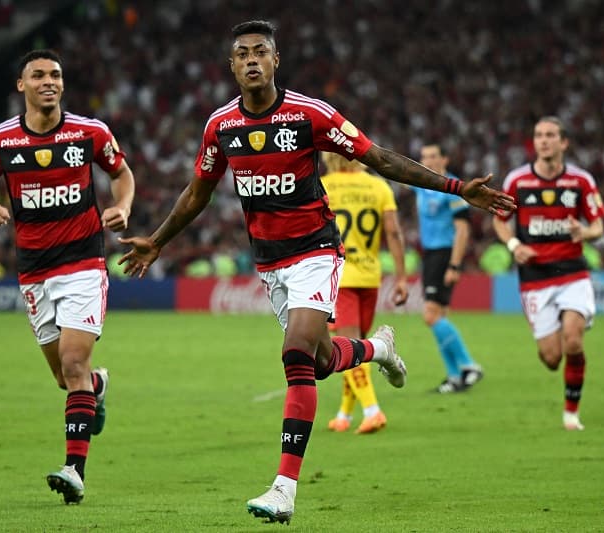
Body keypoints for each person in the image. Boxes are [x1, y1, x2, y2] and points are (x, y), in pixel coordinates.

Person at [118, 20, 515, 524]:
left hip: (316, 251)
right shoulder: (221, 126)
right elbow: (199, 192)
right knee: (322, 360)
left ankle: (284, 488)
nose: (253, 60)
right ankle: (378, 349)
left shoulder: (310, 114)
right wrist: (157, 239)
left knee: (295, 354)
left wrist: (457, 187)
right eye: (243, 54)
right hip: (270, 262)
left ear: (276, 60)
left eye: (261, 51)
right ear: (232, 66)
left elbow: (381, 159)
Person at [0, 49, 135, 503]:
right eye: (37, 75)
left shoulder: (89, 132)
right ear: (21, 85)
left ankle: (74, 471)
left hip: (83, 264)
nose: (48, 81)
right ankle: (97, 387)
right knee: (66, 378)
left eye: (55, 75)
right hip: (34, 272)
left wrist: (122, 206)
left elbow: (122, 174)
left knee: (73, 364)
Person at [492, 116, 604, 431]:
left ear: (564, 142)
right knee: (552, 358)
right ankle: (559, 360)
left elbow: (598, 226)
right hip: (534, 278)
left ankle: (571, 413)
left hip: (573, 274)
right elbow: (499, 220)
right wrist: (514, 244)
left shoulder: (581, 181)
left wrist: (585, 232)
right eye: (539, 135)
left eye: (550, 135)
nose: (543, 140)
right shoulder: (517, 181)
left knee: (573, 342)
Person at [320, 152, 409, 434]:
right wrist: (402, 277)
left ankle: (373, 411)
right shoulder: (379, 187)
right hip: (370, 276)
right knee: (355, 347)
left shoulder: (322, 186)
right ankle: (344, 414)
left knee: (348, 348)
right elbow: (393, 233)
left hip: (339, 274)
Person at [413, 143, 484, 393]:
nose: (428, 161)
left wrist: (454, 264)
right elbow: (393, 174)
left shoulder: (453, 188)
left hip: (444, 254)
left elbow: (463, 229)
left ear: (445, 159)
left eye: (433, 156)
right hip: (430, 254)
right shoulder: (420, 182)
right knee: (439, 317)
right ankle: (454, 377)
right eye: (424, 157)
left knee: (430, 315)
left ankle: (468, 365)